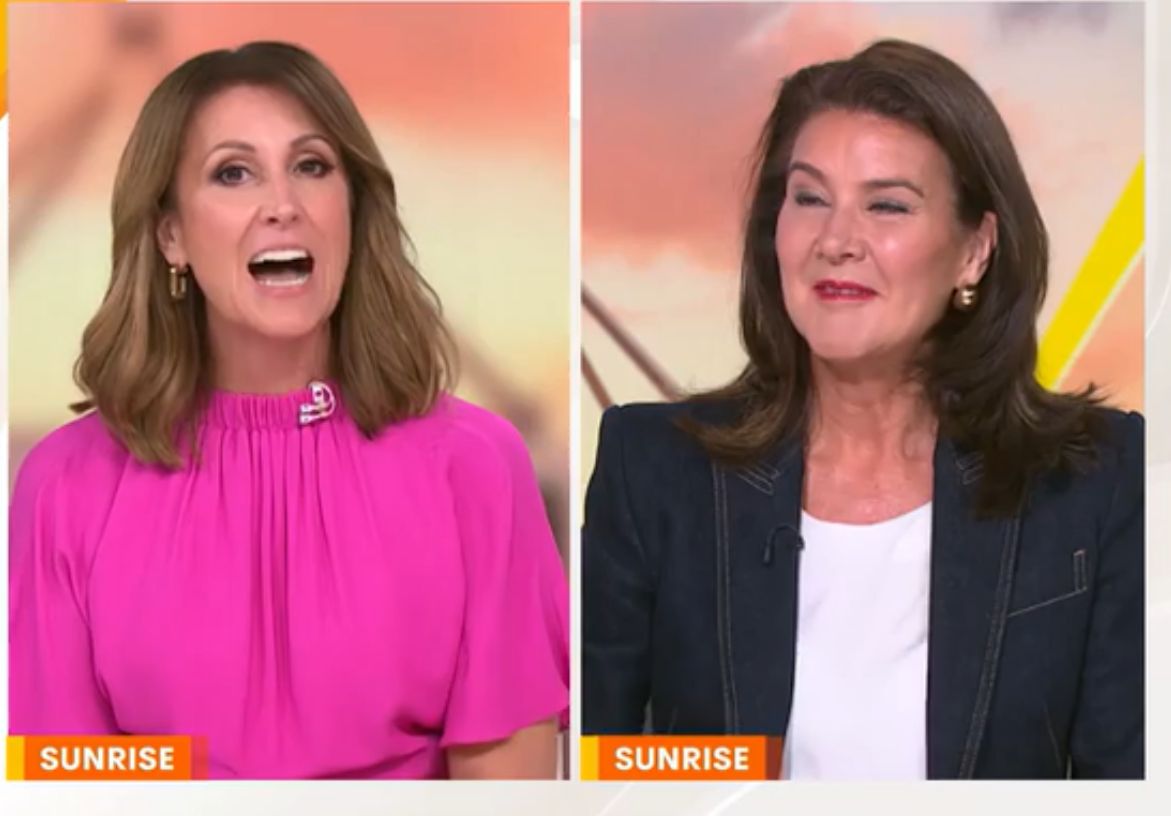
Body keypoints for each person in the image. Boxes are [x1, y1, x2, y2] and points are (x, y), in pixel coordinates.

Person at [582, 39, 1142, 780]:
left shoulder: (1093, 481)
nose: (836, 241)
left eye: (886, 205)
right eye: (809, 198)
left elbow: (1122, 782)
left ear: (974, 250)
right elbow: (606, 771)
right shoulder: (653, 469)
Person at [9, 41, 569, 780]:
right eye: (233, 173)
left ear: (352, 208)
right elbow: (68, 788)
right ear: (171, 234)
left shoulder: (475, 468)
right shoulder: (66, 486)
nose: (284, 205)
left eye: (311, 166)